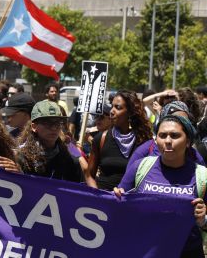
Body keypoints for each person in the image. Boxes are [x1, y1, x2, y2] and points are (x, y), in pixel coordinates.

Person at [115, 115, 207, 258]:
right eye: (162, 135)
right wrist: (118, 197)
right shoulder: (140, 167)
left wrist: (203, 220)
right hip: (145, 251)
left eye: (175, 136)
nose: (168, 141)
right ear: (156, 139)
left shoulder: (202, 175)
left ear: (188, 141)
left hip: (187, 252)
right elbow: (118, 205)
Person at [85, 90, 151, 190]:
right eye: (112, 106)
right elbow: (89, 175)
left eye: (118, 107)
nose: (111, 111)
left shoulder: (143, 141)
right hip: (103, 201)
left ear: (130, 112)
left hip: (130, 202)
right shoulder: (101, 139)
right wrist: (97, 195)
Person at [16, 100, 82, 182]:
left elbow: (81, 162)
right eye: (47, 123)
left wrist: (69, 144)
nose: (54, 128)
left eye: (58, 123)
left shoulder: (68, 146)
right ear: (34, 127)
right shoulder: (21, 156)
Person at [128, 101, 205, 167]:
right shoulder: (144, 151)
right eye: (175, 120)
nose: (180, 125)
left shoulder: (195, 155)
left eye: (185, 121)